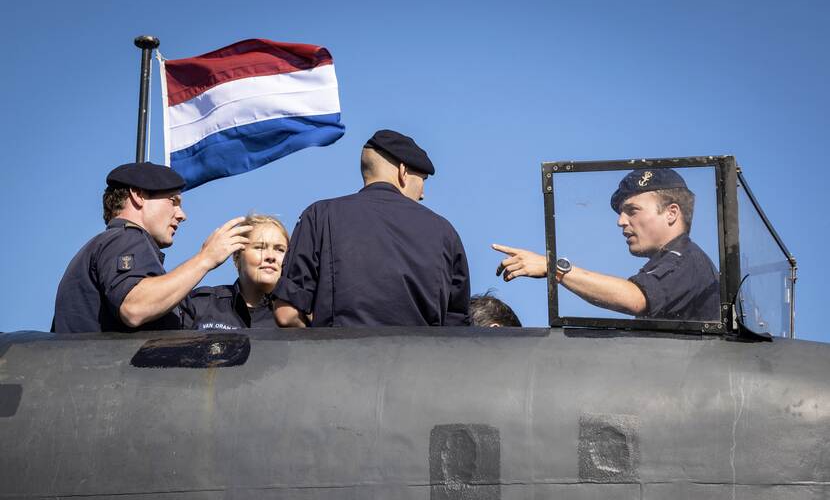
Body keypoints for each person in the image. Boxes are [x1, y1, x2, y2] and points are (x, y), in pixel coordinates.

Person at [273, 129, 471, 327]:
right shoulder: (445, 233)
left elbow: (286, 314)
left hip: (338, 347)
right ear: (403, 171)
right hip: (421, 348)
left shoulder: (320, 215)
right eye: (422, 180)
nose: (422, 194)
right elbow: (457, 329)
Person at [493, 168, 719, 321]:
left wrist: (553, 267)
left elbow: (636, 298)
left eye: (632, 210)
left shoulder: (685, 259)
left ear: (671, 213)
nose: (621, 221)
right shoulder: (670, 261)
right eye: (621, 213)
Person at [52, 162, 252, 333]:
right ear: (138, 195)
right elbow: (135, 307)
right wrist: (205, 259)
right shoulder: (126, 238)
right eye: (173, 201)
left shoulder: (105, 244)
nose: (182, 215)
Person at [182, 214, 289, 329]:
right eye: (260, 247)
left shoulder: (295, 318)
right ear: (237, 255)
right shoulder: (201, 305)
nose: (271, 257)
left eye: (280, 249)